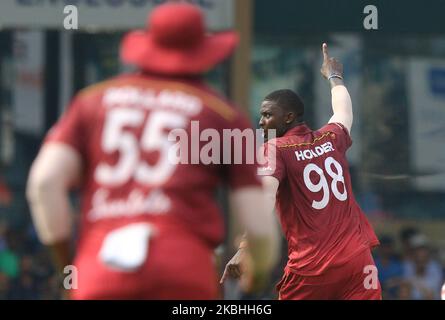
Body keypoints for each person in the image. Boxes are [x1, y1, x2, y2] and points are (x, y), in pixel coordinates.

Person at [26, 3, 279, 299]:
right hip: (184, 277)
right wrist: (257, 274)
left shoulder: (91, 101)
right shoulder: (220, 113)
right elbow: (259, 224)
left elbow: (44, 183)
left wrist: (68, 266)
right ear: (204, 53)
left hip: (102, 274)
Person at [222, 43, 381, 300]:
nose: (261, 122)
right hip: (358, 262)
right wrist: (334, 76)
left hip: (312, 268)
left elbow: (263, 201)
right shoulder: (331, 137)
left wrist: (244, 247)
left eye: (267, 115)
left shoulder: (274, 149)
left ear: (288, 117)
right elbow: (343, 111)